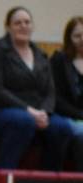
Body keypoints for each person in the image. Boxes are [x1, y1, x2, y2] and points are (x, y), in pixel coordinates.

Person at [0, 6, 73, 170]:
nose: (23, 26)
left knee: (62, 128)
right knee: (22, 121)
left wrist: (45, 112)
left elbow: (50, 92)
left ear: (32, 26)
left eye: (27, 22)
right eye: (17, 23)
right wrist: (28, 110)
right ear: (8, 27)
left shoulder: (41, 55)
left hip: (34, 114)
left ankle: (46, 182)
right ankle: (5, 176)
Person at [50, 16, 83, 170]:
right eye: (77, 36)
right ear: (69, 38)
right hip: (66, 116)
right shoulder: (59, 60)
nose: (82, 39)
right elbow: (56, 99)